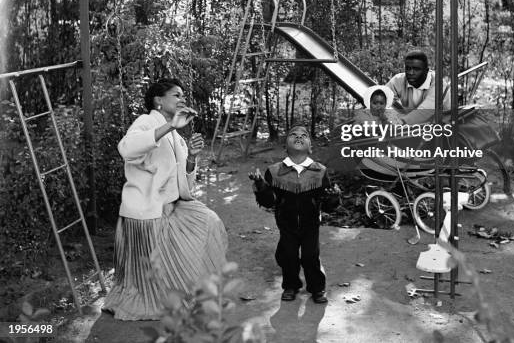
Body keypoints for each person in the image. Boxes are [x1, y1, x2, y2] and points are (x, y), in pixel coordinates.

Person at [102, 78, 228, 321]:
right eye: (176, 95)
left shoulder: (175, 134)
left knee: (208, 221)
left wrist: (192, 156)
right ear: (158, 100)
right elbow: (127, 149)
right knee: (150, 287)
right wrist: (170, 126)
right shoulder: (147, 122)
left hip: (170, 207)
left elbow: (183, 181)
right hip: (146, 213)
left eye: (183, 96)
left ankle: (186, 288)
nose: (182, 100)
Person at [249, 125, 340, 304]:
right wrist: (260, 185)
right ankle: (291, 286)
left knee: (310, 256)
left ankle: (317, 288)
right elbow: (269, 201)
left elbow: (328, 204)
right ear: (285, 145)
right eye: (293, 134)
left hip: (311, 223)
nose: (299, 137)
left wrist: (334, 197)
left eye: (304, 135)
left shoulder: (320, 171)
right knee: (289, 255)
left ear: (310, 146)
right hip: (286, 223)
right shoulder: (274, 171)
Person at [386, 50, 451, 125]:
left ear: (426, 71)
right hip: (411, 129)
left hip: (440, 129)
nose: (411, 73)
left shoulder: (439, 84)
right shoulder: (398, 80)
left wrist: (398, 123)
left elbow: (425, 112)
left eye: (416, 69)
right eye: (408, 68)